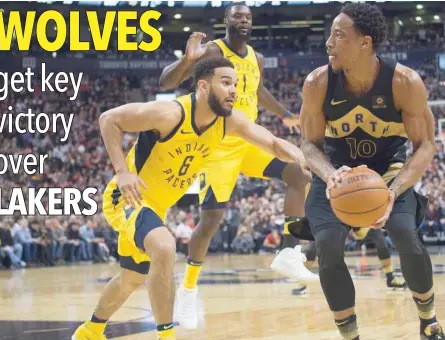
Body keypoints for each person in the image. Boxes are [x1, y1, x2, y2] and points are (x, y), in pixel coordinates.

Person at [72, 57, 305, 340]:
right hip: (127, 198)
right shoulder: (170, 113)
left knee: (131, 279)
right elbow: (109, 119)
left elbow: (270, 142)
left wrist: (301, 157)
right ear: (204, 86)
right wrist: (122, 171)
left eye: (236, 84)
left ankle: (89, 331)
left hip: (157, 208)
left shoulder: (228, 122)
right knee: (164, 246)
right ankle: (166, 336)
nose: (234, 90)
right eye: (226, 82)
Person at [159, 2, 315, 329]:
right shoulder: (211, 51)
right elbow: (166, 83)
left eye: (247, 16)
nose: (243, 20)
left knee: (299, 173)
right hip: (217, 145)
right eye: (237, 15)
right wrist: (187, 60)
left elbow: (258, 91)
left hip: (250, 139)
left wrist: (284, 114)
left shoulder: (256, 57)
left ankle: (287, 251)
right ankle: (188, 288)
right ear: (226, 20)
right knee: (212, 219)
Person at [297, 3, 444, 339]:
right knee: (328, 244)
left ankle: (428, 317)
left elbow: (425, 146)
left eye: (338, 36)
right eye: (330, 35)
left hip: (389, 171)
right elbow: (308, 145)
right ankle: (350, 335)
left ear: (365, 43)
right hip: (334, 172)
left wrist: (394, 190)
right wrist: (330, 175)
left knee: (404, 232)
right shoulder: (317, 83)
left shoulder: (405, 82)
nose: (328, 43)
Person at [287, 228, 407, 296]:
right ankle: (302, 282)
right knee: (315, 245)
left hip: (362, 216)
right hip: (342, 214)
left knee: (382, 244)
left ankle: (390, 278)